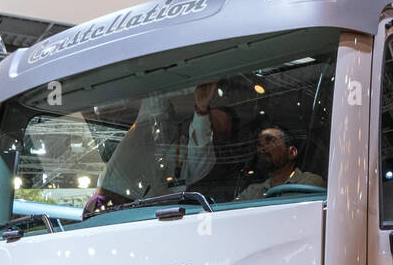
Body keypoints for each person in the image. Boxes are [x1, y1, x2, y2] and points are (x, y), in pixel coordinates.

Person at [87, 81, 231, 214]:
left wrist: (202, 110)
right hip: (106, 207)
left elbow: (201, 145)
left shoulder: (199, 167)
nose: (206, 124)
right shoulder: (158, 131)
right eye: (209, 119)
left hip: (141, 216)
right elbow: (155, 100)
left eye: (211, 126)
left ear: (216, 139)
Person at [236, 125, 324, 200]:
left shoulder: (309, 182)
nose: (262, 148)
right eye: (259, 144)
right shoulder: (252, 191)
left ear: (291, 152)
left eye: (270, 141)